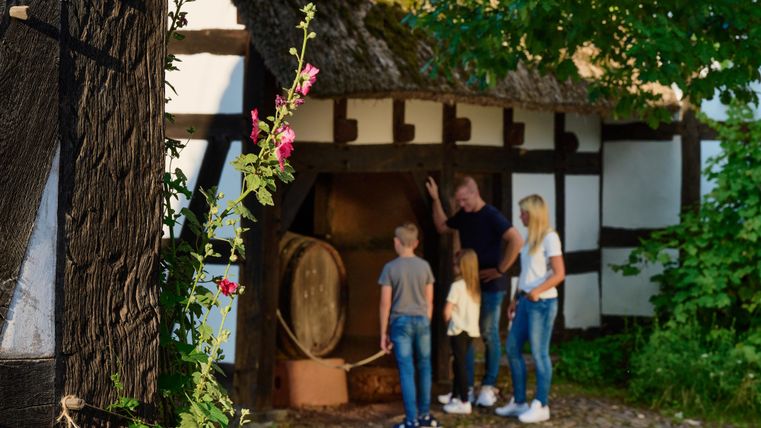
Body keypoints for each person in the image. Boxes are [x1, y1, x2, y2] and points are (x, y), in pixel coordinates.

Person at [426, 176, 523, 407]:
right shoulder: (465, 215)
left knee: (489, 333)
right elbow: (442, 227)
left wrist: (501, 269)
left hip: (491, 285)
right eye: (458, 201)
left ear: (475, 192)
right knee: (465, 334)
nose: (461, 205)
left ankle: (488, 386)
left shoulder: (492, 215)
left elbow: (517, 240)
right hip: (470, 285)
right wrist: (436, 199)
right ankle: (465, 388)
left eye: (464, 199)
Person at [495, 194, 565, 423]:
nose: (520, 216)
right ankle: (519, 401)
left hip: (542, 303)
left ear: (532, 214)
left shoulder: (550, 238)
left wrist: (537, 291)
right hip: (525, 302)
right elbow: (526, 274)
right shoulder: (529, 239)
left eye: (523, 212)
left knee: (539, 353)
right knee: (513, 348)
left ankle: (541, 404)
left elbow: (559, 273)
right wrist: (516, 298)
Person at [379, 223, 441, 428]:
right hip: (422, 320)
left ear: (397, 242)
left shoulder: (390, 268)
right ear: (415, 243)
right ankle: (425, 416)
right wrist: (426, 320)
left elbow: (385, 303)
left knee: (407, 370)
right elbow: (430, 300)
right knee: (424, 367)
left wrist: (383, 333)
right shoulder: (424, 266)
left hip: (400, 322)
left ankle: (411, 420)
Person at [442, 249, 481, 415]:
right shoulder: (475, 288)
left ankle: (464, 401)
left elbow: (447, 311)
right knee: (460, 362)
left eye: (455, 265)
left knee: (459, 365)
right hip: (471, 330)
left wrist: (448, 322)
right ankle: (455, 396)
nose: (453, 268)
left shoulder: (456, 286)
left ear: (461, 267)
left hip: (458, 329)